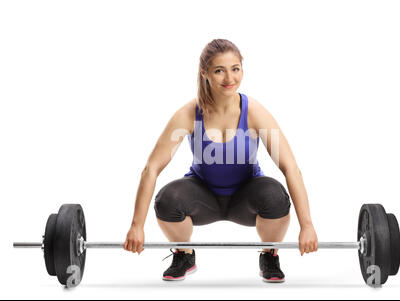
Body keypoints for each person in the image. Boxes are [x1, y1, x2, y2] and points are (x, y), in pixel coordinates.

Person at [123, 39, 318, 283]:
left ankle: (270, 253)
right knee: (167, 200)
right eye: (219, 70)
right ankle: (184, 254)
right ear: (204, 72)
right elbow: (151, 168)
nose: (229, 78)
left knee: (275, 196)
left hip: (246, 198)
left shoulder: (254, 112)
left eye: (235, 68)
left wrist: (307, 225)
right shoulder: (188, 114)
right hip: (203, 197)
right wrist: (136, 226)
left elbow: (291, 168)